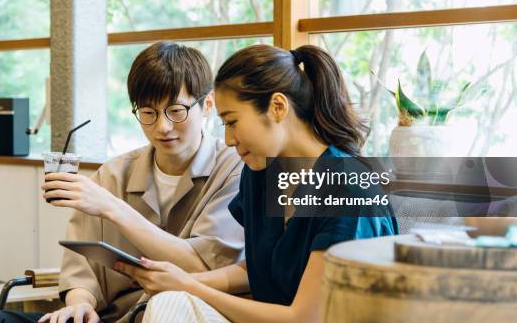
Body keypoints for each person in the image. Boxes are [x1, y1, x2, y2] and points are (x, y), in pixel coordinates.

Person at [0, 42, 244, 323]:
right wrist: (79, 305)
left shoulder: (233, 169)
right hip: (107, 318)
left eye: (176, 111)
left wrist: (113, 209)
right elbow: (81, 267)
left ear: (208, 105)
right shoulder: (114, 173)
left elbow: (202, 263)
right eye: (148, 113)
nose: (162, 126)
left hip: (174, 315)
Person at [115, 44, 398, 323]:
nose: (228, 139)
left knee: (175, 302)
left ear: (277, 107)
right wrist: (180, 280)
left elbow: (303, 318)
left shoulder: (348, 190)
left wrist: (190, 286)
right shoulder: (261, 172)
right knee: (170, 302)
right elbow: (260, 269)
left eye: (232, 122)